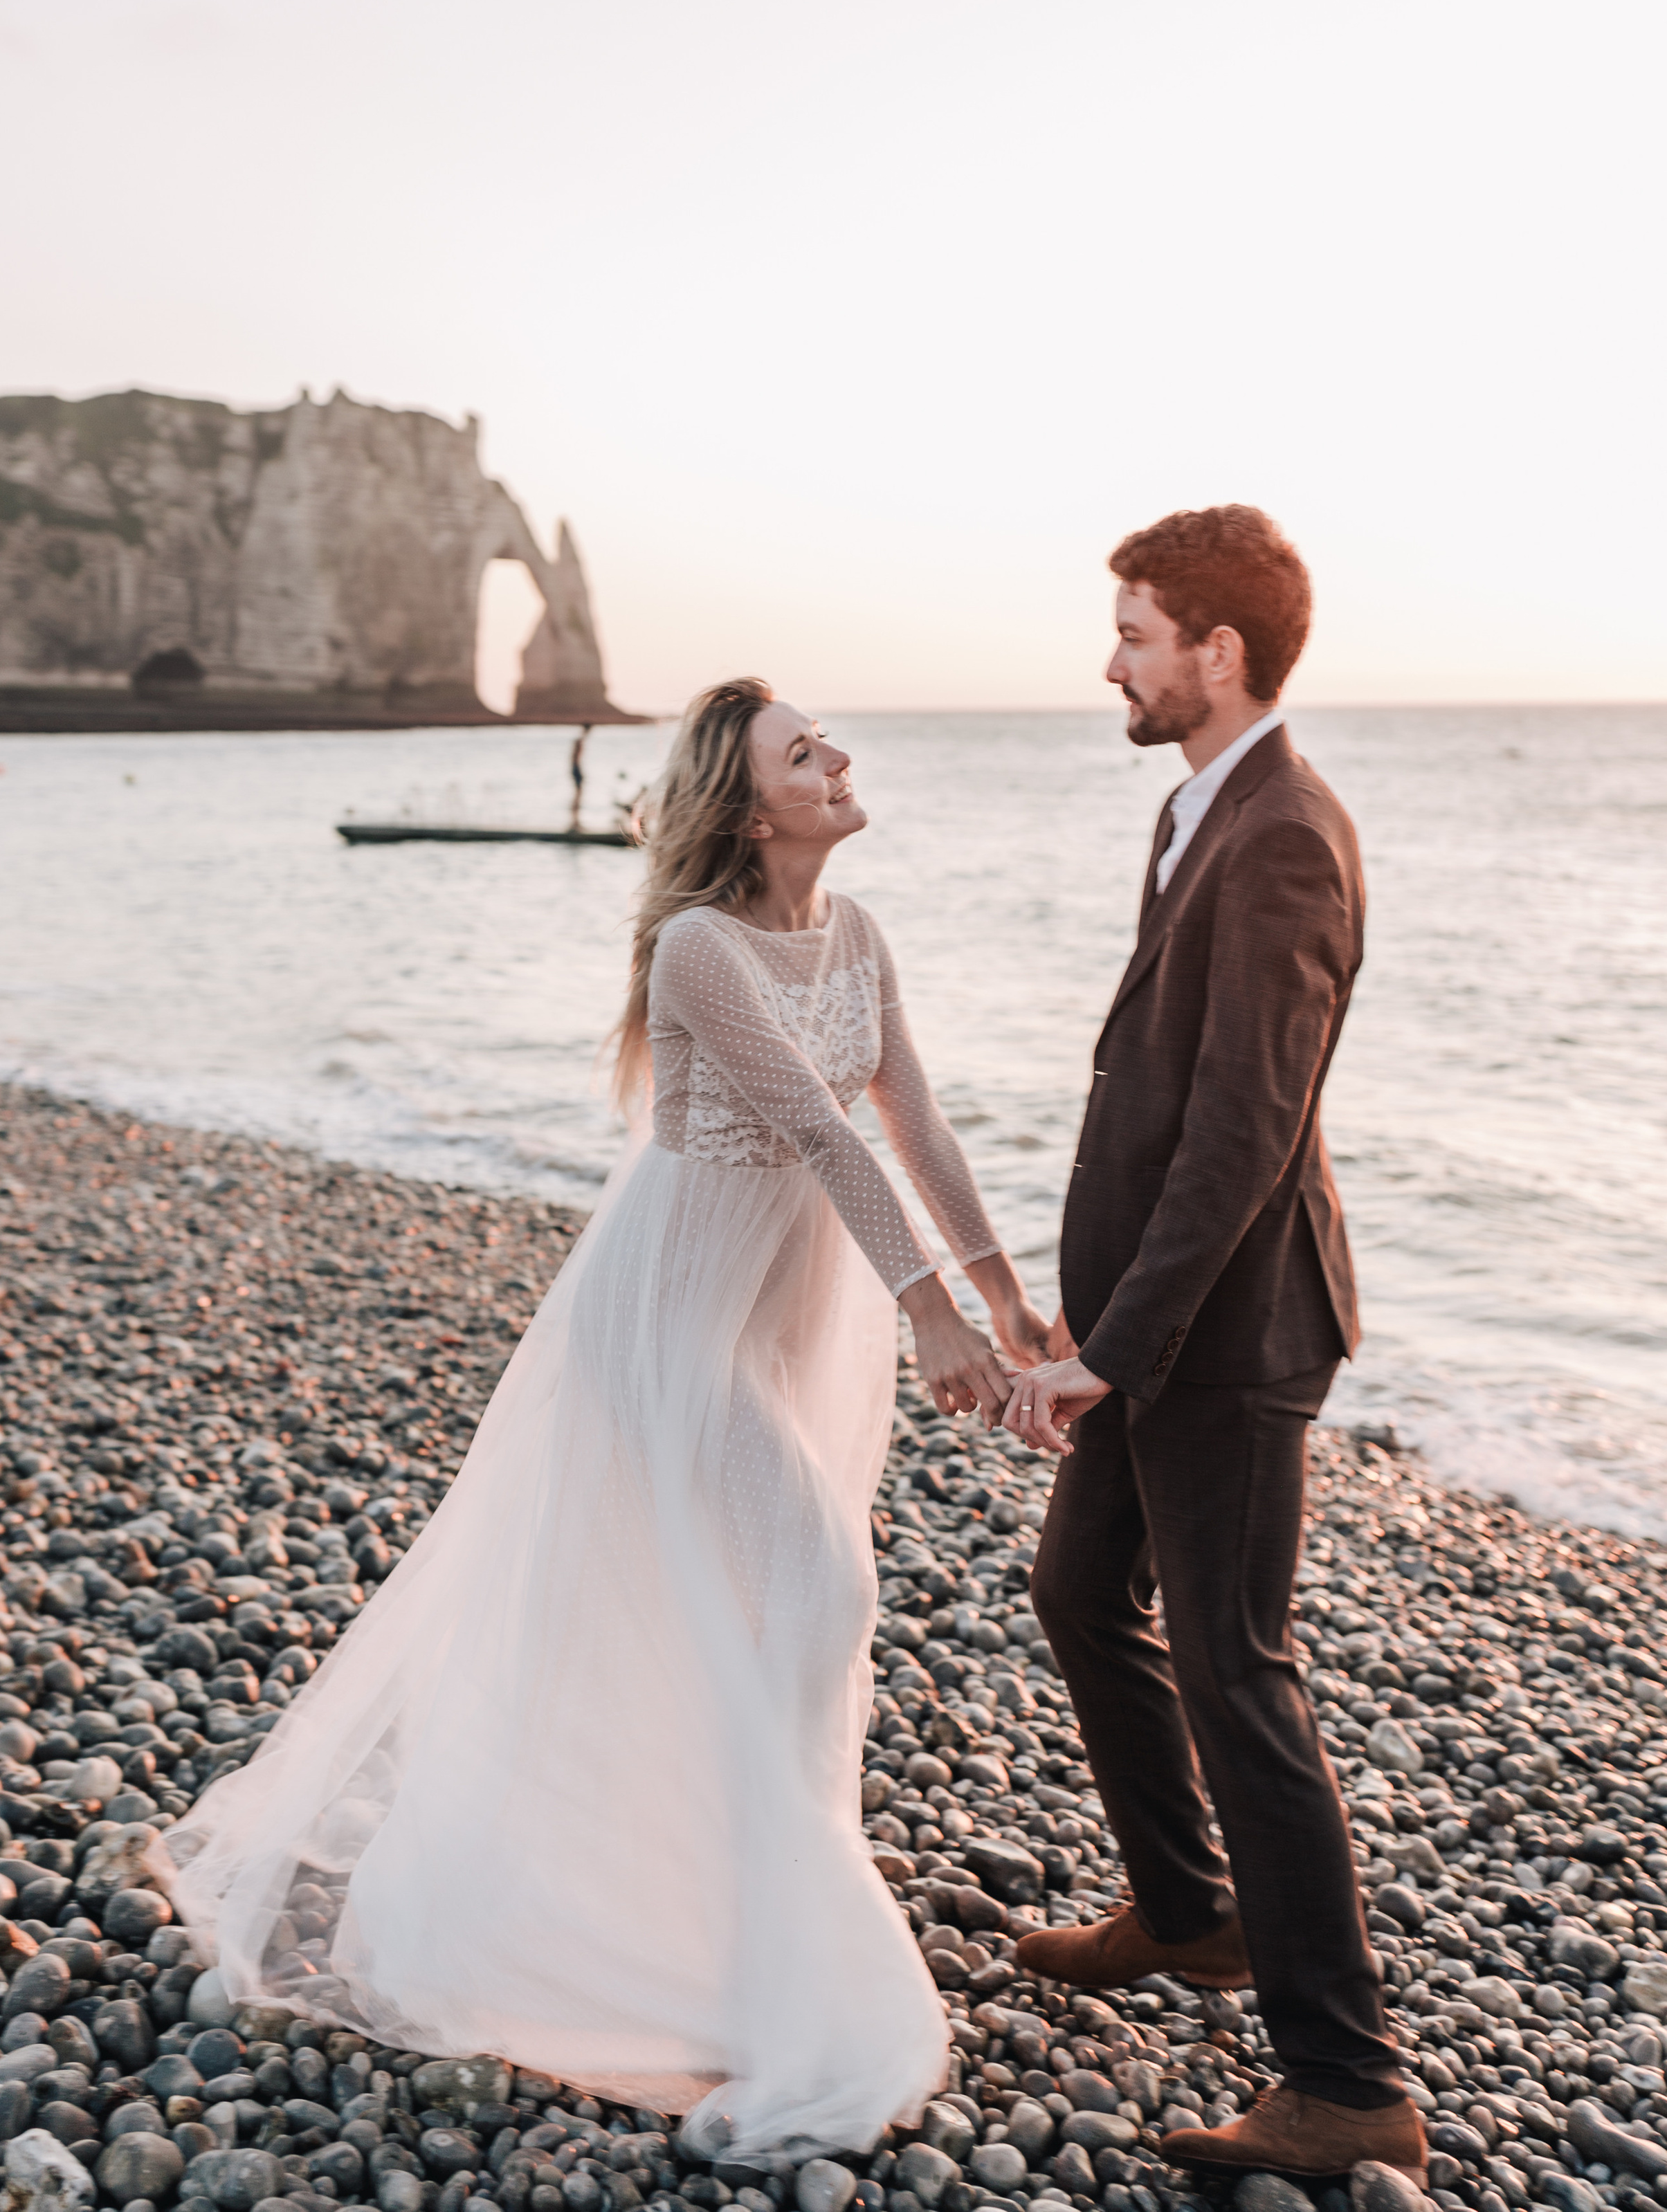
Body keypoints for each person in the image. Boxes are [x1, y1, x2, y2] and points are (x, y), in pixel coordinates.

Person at [155, 677, 1048, 2154]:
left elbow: (913, 1117)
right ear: (751, 802)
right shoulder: (699, 946)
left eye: (828, 740)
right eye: (802, 750)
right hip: (671, 1324)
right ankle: (772, 1955)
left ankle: (700, 1916)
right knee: (815, 1588)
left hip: (781, 1317)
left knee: (739, 1614)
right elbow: (819, 1130)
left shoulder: (860, 935)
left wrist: (1008, 1295)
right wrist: (929, 1308)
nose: (836, 757)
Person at [1003, 506, 1425, 2181]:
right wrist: (1089, 1320)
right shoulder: (1208, 810)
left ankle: (1345, 2074)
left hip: (1229, 1335)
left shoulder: (1282, 837)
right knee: (1075, 1593)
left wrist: (1122, 1343)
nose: (1109, 657)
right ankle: (1186, 1910)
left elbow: (1242, 1127)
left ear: (1215, 652)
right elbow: (1165, 1100)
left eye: (1130, 629)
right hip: (1147, 1326)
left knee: (1238, 1672)